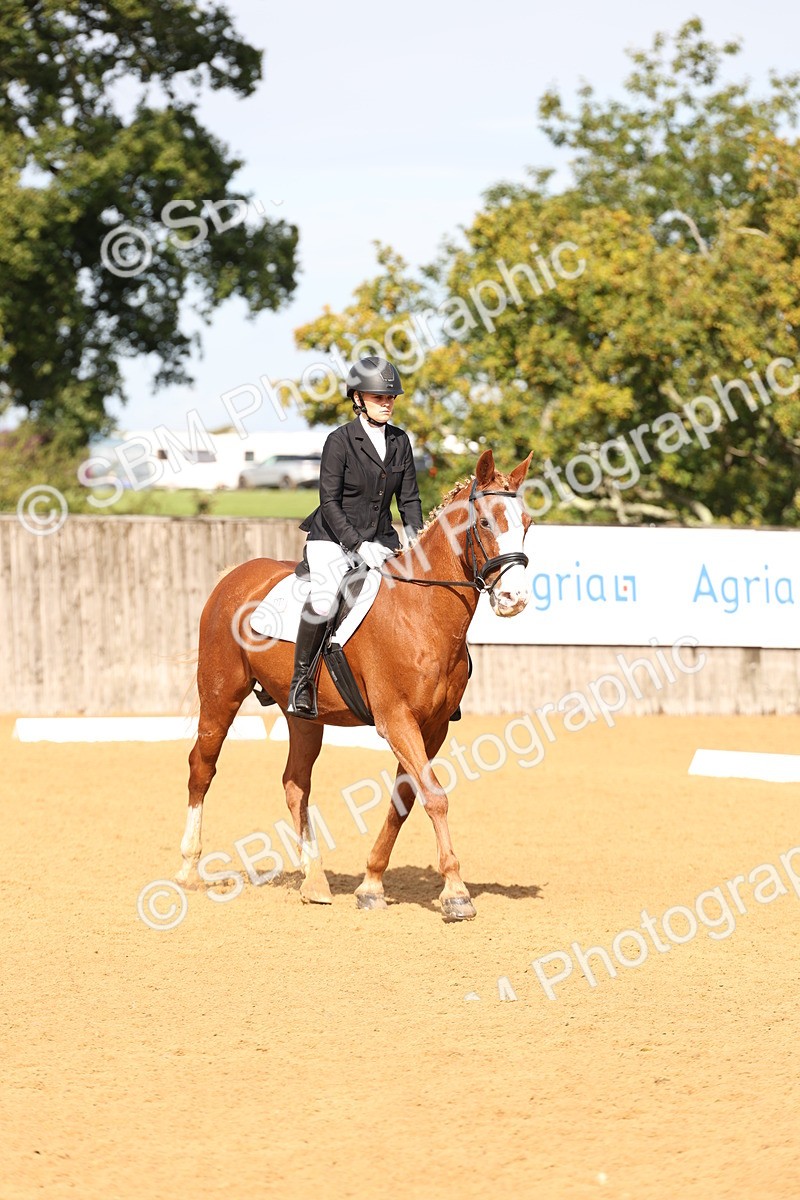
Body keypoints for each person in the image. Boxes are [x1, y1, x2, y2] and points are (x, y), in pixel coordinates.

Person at [287, 355, 424, 718]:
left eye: (391, 397)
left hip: (381, 540)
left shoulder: (400, 441)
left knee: (420, 593)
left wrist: (416, 539)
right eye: (380, 397)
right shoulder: (340, 441)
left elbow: (408, 498)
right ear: (358, 399)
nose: (388, 403)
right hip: (333, 537)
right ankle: (301, 682)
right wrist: (357, 543)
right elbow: (328, 502)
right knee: (324, 597)